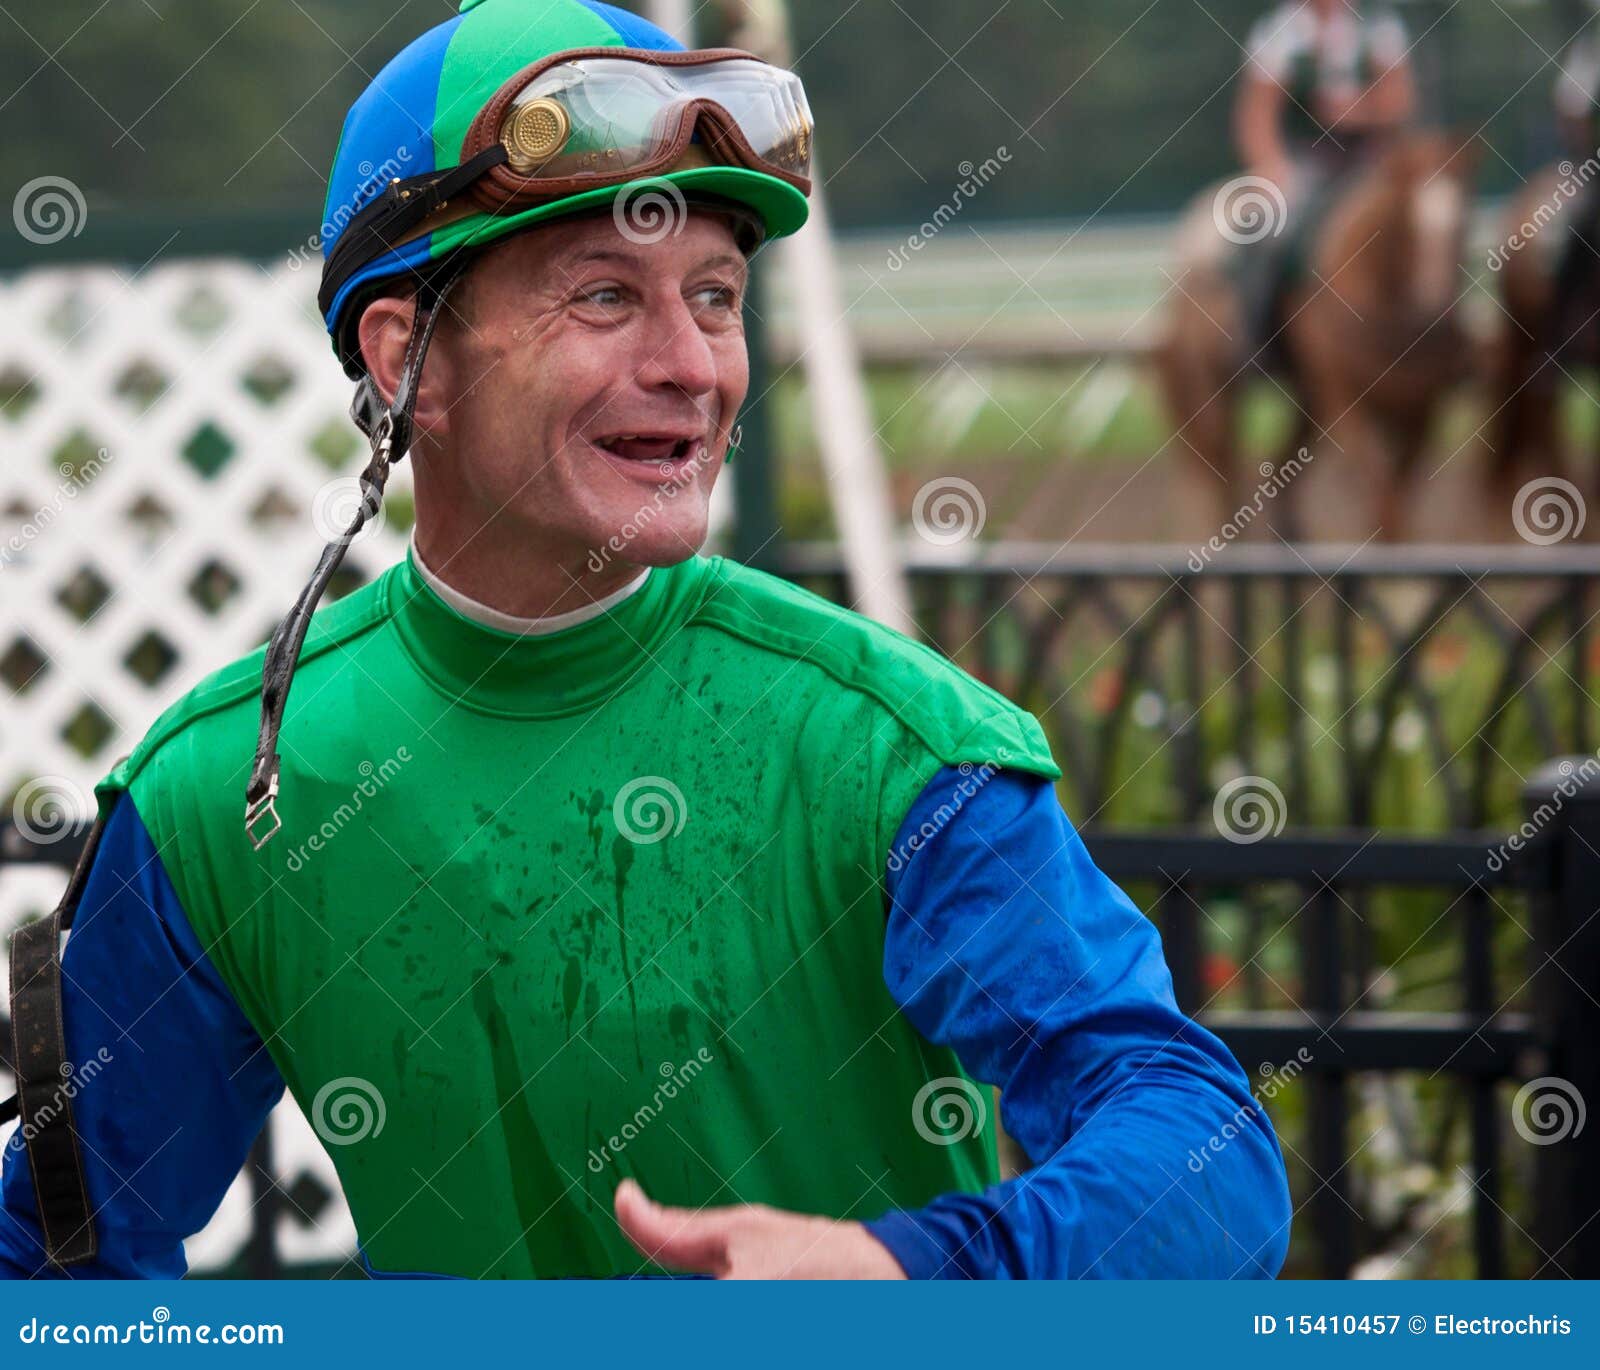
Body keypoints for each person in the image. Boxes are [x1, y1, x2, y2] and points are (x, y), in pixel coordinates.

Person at [0, 0, 1290, 1280]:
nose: (692, 363)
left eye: (717, 297)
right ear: (405, 368)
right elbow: (63, 1260)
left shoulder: (891, 745)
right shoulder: (216, 790)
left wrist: (915, 1276)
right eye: (606, 296)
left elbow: (1207, 1155)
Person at [1231, 0, 1417, 362]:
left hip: (1369, 163)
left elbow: (1400, 101)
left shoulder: (1378, 27)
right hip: (1307, 162)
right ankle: (1259, 339)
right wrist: (1271, 166)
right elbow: (1256, 116)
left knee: (1427, 226)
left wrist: (1358, 111)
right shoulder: (1279, 33)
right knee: (1269, 231)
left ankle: (1425, 338)